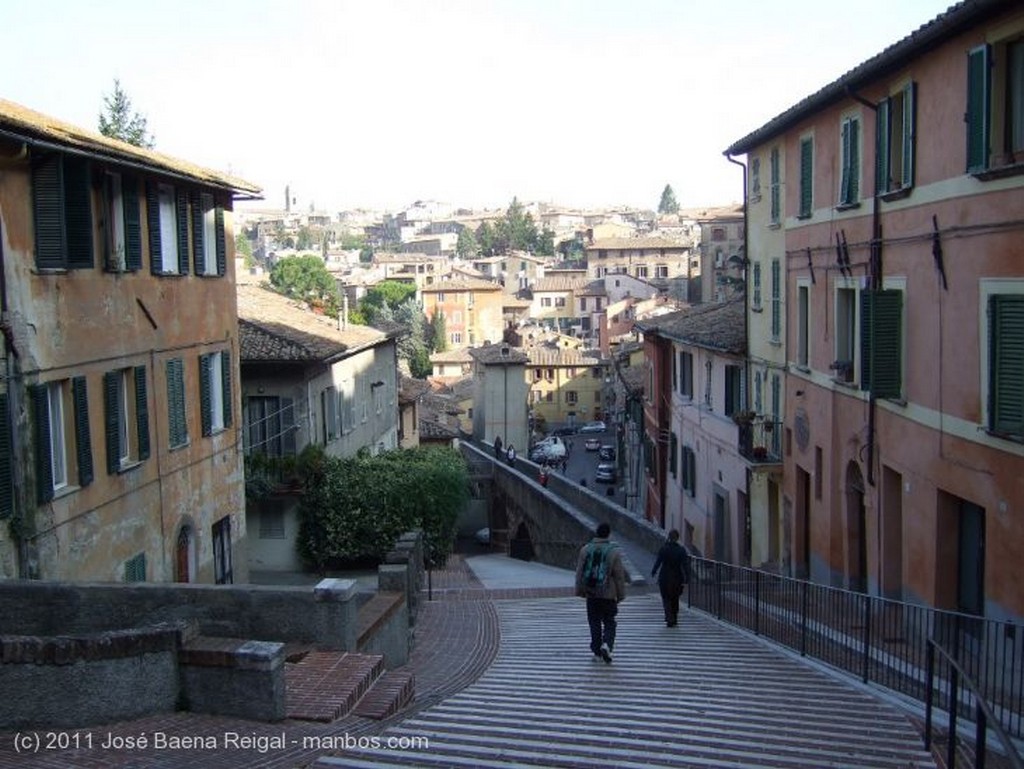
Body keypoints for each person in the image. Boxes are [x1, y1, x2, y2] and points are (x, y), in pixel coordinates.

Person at [575, 522, 627, 663]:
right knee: (609, 621)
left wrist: (579, 590)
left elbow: (579, 571)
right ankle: (607, 644)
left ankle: (597, 652)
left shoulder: (586, 550)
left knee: (594, 622)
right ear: (608, 534)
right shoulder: (613, 552)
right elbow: (619, 575)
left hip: (591, 593)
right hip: (608, 594)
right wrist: (621, 594)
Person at [651, 529, 691, 627]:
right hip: (677, 577)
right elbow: (685, 565)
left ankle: (669, 617)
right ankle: (674, 617)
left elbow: (658, 561)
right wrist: (687, 577)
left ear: (669, 537)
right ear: (677, 538)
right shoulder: (681, 550)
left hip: (664, 576)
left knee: (666, 598)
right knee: (675, 598)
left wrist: (654, 571)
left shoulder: (664, 548)